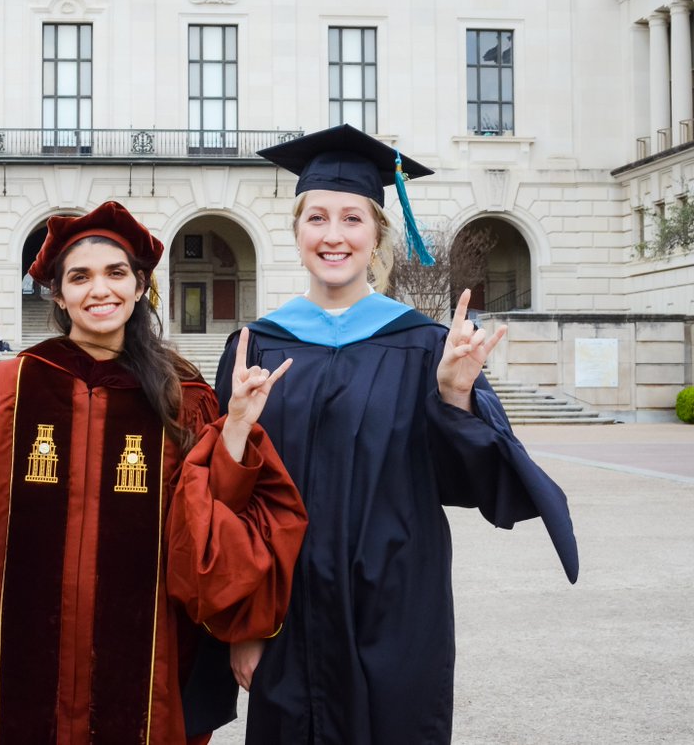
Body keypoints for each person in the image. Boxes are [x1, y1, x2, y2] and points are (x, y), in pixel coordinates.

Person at [0, 201, 308, 744]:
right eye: (81, 277)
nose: (101, 290)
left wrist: (234, 426)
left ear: (141, 286)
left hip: (151, 671)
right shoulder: (2, 391)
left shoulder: (182, 397)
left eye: (117, 274)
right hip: (17, 666)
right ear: (58, 293)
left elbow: (215, 522)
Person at [216, 124, 580, 744]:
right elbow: (228, 499)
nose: (334, 236)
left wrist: (455, 395)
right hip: (288, 608)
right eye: (318, 218)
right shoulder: (256, 346)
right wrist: (245, 622)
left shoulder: (423, 345)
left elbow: (475, 482)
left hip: (399, 602)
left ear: (377, 233)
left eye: (352, 219)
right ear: (298, 230)